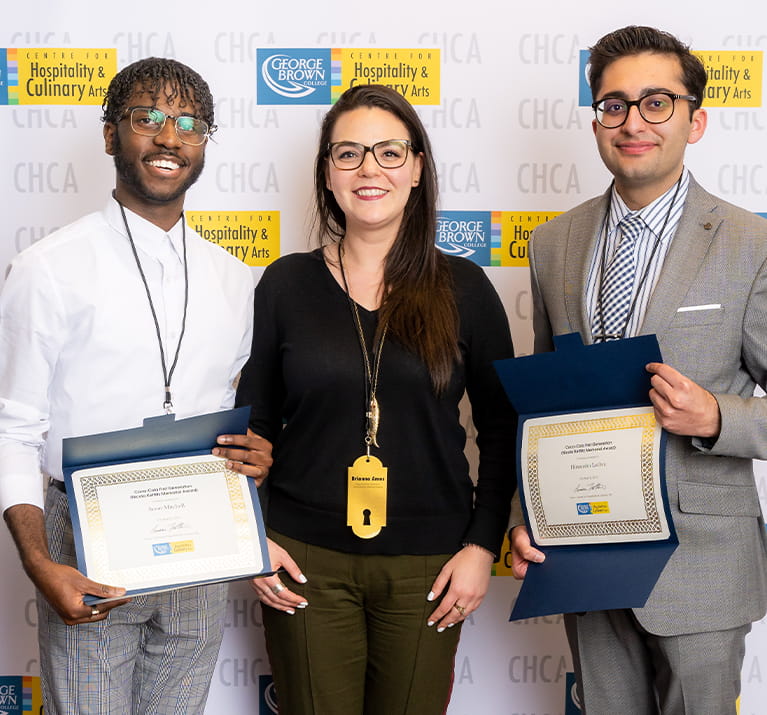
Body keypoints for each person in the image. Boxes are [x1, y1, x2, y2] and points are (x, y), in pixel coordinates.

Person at [0, 57, 272, 714]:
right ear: (109, 134)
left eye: (187, 122)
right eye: (146, 117)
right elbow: (14, 426)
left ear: (205, 140)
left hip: (200, 542)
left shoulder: (235, 279)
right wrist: (41, 564)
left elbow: (224, 411)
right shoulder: (48, 268)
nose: (168, 137)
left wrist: (254, 455)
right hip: (84, 538)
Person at [235, 83, 516, 714]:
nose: (369, 169)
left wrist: (479, 547)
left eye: (390, 152)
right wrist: (248, 537)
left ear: (417, 169)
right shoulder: (285, 284)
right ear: (327, 174)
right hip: (303, 560)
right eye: (349, 153)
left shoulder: (465, 288)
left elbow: (502, 432)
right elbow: (249, 428)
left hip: (430, 564)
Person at [510, 25, 767, 715]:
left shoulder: (751, 243)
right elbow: (540, 402)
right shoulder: (552, 242)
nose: (632, 122)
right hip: (581, 550)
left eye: (656, 103)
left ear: (696, 119)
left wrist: (717, 415)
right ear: (596, 119)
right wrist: (523, 513)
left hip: (702, 561)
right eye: (613, 104)